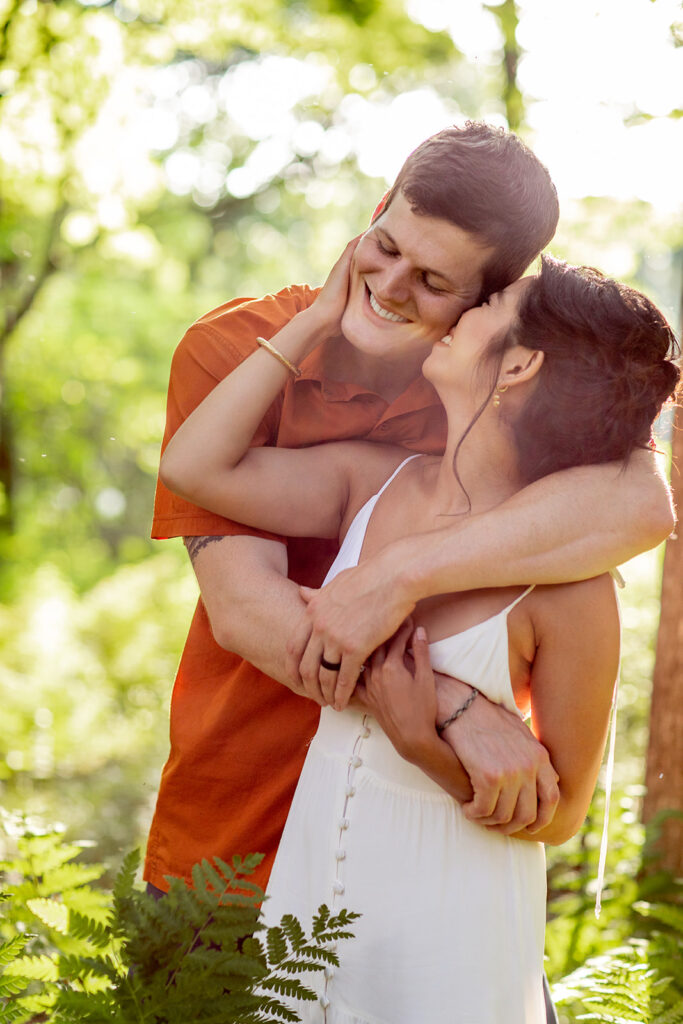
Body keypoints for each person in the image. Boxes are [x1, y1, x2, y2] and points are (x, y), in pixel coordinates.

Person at [145, 123, 672, 1021]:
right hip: (230, 836)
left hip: (430, 876)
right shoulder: (237, 351)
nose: (389, 289)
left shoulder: (474, 398)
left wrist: (398, 578)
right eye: (384, 248)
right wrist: (453, 712)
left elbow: (644, 504)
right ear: (378, 204)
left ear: (487, 303)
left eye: (434, 284)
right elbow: (243, 612)